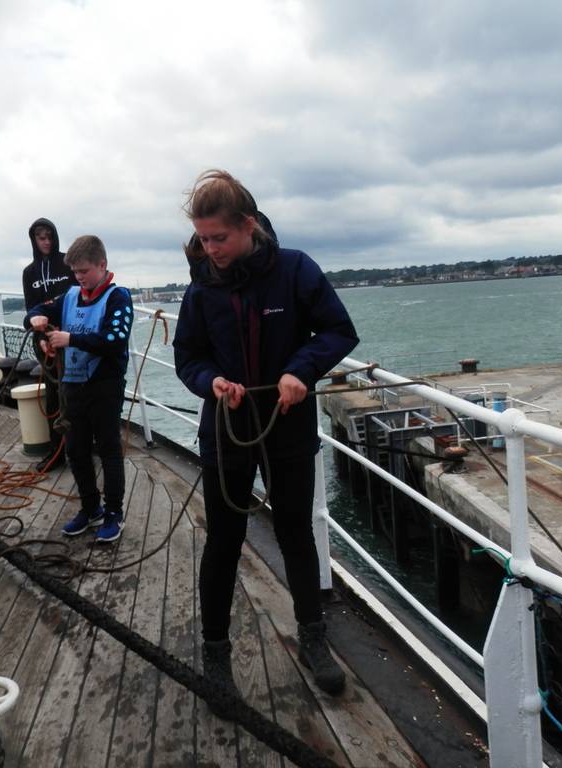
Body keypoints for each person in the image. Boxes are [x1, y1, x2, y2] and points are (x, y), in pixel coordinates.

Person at [173, 170, 359, 704]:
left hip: (288, 424)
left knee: (297, 533)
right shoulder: (201, 286)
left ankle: (313, 639)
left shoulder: (297, 270)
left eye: (219, 238)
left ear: (248, 226)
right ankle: (215, 655)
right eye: (203, 239)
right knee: (224, 544)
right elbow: (189, 356)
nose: (210, 249)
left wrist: (303, 369)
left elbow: (338, 331)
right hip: (226, 429)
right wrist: (212, 382)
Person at [24, 235, 132, 543]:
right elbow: (31, 313)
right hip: (72, 386)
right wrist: (39, 320)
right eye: (75, 271)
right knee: (76, 450)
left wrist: (69, 339)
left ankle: (113, 512)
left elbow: (115, 340)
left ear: (102, 265)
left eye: (84, 270)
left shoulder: (118, 298)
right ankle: (90, 508)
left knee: (109, 449)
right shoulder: (70, 296)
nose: (78, 277)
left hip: (104, 385)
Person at [22, 218, 76, 472]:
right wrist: (42, 339)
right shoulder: (29, 273)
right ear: (33, 240)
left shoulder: (67, 263)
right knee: (54, 396)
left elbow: (77, 299)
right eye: (40, 237)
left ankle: (82, 447)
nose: (46, 241)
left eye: (49, 236)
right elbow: (30, 310)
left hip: (70, 336)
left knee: (77, 392)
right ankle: (57, 453)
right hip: (44, 340)